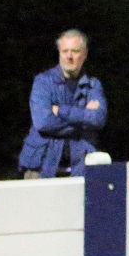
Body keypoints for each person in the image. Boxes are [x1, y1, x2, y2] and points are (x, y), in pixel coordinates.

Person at [18, 29, 107, 178]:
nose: (69, 56)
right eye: (65, 51)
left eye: (75, 51)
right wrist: (83, 120)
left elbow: (98, 119)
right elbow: (43, 122)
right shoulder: (43, 82)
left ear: (84, 54)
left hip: (81, 168)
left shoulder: (93, 85)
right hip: (41, 167)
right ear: (59, 52)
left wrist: (60, 111)